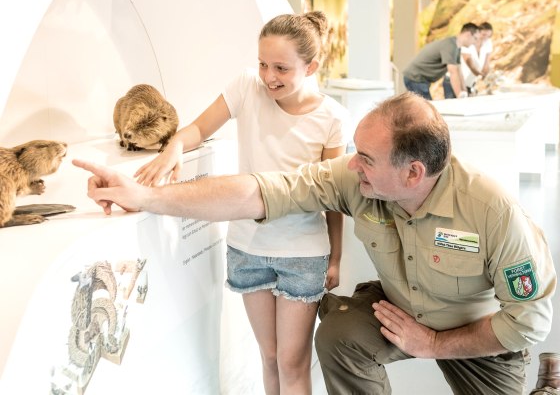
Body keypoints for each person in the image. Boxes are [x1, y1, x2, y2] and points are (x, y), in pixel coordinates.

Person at [73, 92, 557, 395]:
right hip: (400, 312)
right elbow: (261, 190)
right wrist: (148, 196)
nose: (352, 165)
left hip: (475, 336)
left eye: (366, 158)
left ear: (413, 172)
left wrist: (432, 344)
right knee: (339, 336)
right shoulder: (359, 180)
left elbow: (529, 319)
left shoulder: (492, 212)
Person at [133, 11, 351, 395]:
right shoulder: (246, 86)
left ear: (312, 66)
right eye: (263, 64)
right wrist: (174, 148)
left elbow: (333, 194)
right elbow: (200, 127)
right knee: (268, 357)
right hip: (246, 250)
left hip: (303, 253)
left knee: (292, 362)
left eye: (281, 67)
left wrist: (335, 257)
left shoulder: (332, 116)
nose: (269, 76)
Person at [403, 23, 479, 100]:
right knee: (426, 108)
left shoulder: (456, 47)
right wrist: (460, 97)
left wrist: (465, 94)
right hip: (415, 77)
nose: (475, 42)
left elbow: (459, 72)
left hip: (420, 78)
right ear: (468, 34)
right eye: (475, 38)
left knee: (424, 107)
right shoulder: (450, 45)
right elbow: (453, 72)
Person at [461, 21, 494, 94]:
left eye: (488, 36)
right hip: (461, 79)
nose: (486, 38)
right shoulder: (468, 42)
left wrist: (484, 77)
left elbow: (486, 63)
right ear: (478, 32)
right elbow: (469, 63)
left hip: (474, 80)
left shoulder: (488, 42)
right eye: (484, 35)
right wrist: (479, 76)